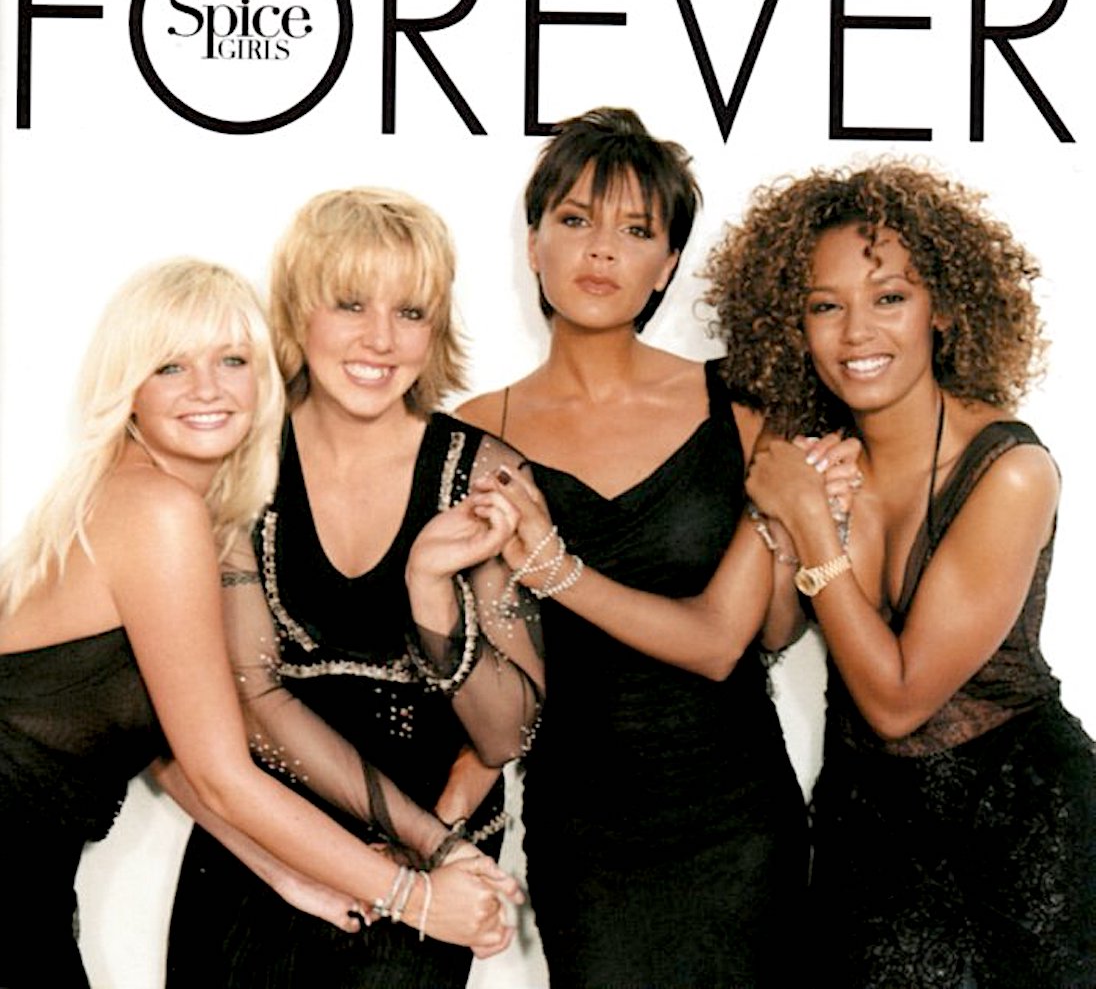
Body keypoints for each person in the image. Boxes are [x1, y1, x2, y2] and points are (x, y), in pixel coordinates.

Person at [0, 259, 517, 989]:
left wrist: (288, 877)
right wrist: (415, 898)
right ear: (128, 389)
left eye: (232, 360)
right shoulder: (157, 512)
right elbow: (220, 772)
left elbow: (173, 754)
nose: (207, 388)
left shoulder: (155, 503)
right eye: (170, 366)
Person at [458, 108, 850, 988]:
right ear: (533, 243)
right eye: (575, 219)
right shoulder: (472, 434)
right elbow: (486, 667)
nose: (602, 250)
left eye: (636, 230)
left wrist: (558, 568)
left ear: (668, 263)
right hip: (585, 834)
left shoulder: (740, 405)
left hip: (738, 823)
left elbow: (756, 635)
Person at [711, 160, 1096, 987]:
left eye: (889, 297)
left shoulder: (1011, 471)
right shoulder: (825, 456)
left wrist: (812, 523)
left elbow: (897, 701)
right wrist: (781, 516)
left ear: (942, 309)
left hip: (1021, 837)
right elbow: (773, 631)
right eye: (825, 305)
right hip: (870, 836)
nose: (857, 333)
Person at [167, 190, 543, 989]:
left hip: (440, 854)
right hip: (269, 849)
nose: (381, 339)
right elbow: (252, 697)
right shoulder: (240, 459)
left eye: (410, 311)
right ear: (297, 310)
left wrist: (430, 589)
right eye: (349, 304)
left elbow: (508, 731)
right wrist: (400, 858)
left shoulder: (481, 473)